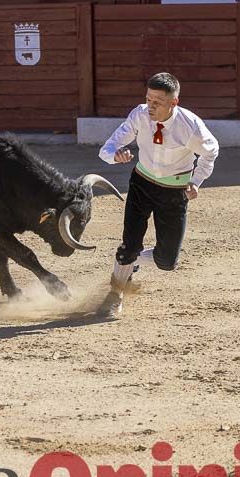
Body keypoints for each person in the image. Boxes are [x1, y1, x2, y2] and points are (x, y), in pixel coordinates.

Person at [95, 72, 220, 319]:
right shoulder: (139, 114)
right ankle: (116, 292)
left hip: (175, 192)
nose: (149, 106)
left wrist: (196, 181)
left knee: (167, 261)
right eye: (148, 99)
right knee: (128, 245)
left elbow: (210, 153)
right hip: (142, 184)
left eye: (157, 102)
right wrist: (115, 155)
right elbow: (107, 148)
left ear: (174, 102)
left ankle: (133, 262)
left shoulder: (191, 127)